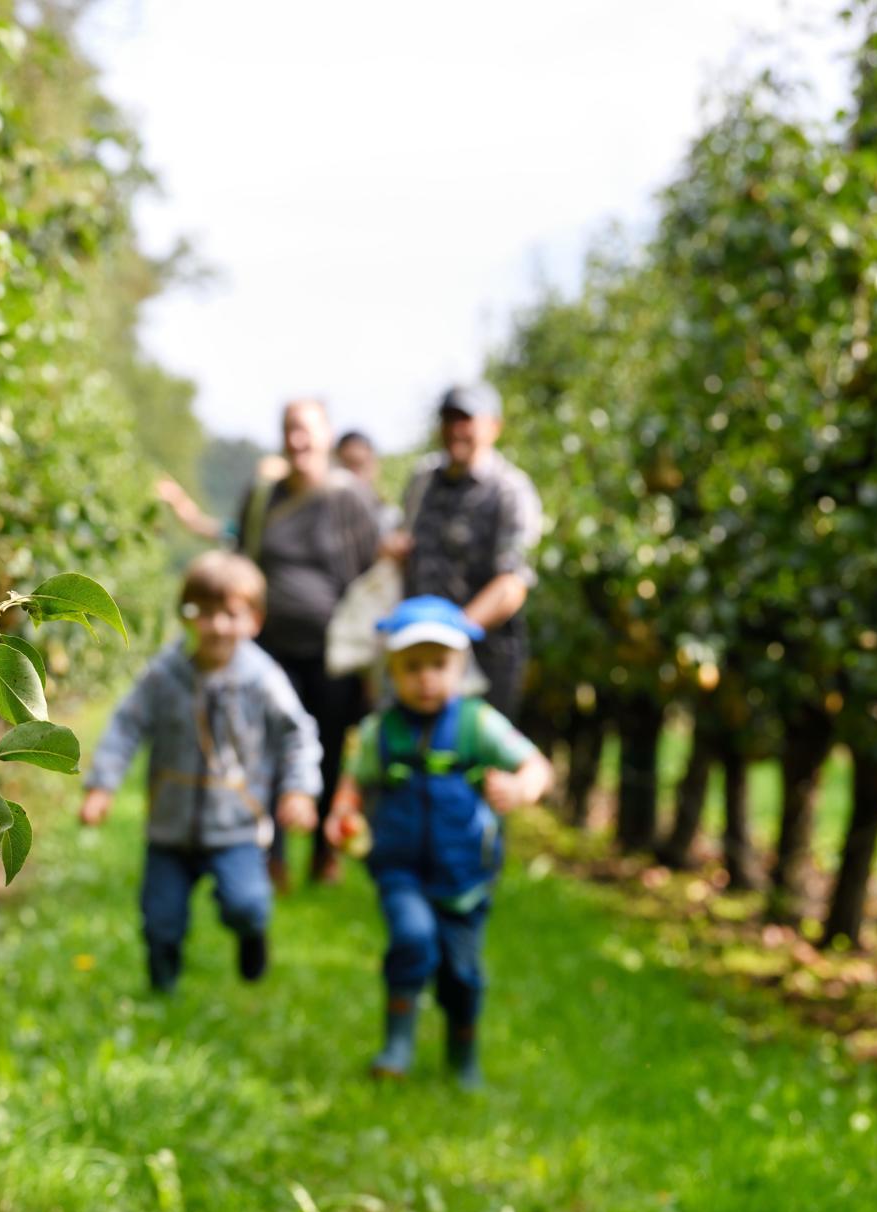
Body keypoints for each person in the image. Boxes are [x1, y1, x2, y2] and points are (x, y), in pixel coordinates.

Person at [323, 596, 552, 1088]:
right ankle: (397, 1044)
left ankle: (462, 1056)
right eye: (412, 667)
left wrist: (519, 787)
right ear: (392, 670)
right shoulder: (378, 731)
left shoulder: (477, 723)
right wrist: (343, 814)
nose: (426, 677)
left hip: (465, 872)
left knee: (461, 974)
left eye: (438, 665)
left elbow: (536, 766)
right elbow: (354, 781)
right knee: (411, 939)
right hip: (399, 867)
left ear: (460, 666)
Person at [157, 400, 381, 885]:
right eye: (289, 430)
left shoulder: (351, 500)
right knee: (270, 747)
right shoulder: (262, 497)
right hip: (270, 649)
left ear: (326, 436)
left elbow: (371, 578)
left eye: (307, 430)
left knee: (328, 748)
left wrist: (373, 662)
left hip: (335, 655)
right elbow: (240, 560)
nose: (298, 440)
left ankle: (323, 852)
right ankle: (271, 854)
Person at [80, 551, 323, 993]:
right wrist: (102, 784)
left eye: (231, 614)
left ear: (255, 620)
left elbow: (298, 735)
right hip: (171, 828)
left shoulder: (262, 678)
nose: (218, 626)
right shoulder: (165, 676)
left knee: (246, 904)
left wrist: (299, 791)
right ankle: (162, 988)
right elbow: (126, 725)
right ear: (186, 616)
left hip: (237, 827)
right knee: (161, 919)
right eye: (204, 613)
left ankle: (253, 936)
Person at [382, 383, 543, 721]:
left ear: (493, 427)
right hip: (419, 651)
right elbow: (402, 543)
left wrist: (452, 631)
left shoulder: (509, 490)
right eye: (448, 419)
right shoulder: (423, 478)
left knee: (480, 760)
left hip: (486, 658)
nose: (456, 429)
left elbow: (512, 585)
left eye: (466, 419)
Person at [335, 429, 401, 533]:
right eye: (348, 466)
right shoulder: (322, 516)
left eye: (359, 465)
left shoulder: (391, 517)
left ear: (374, 465)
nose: (353, 477)